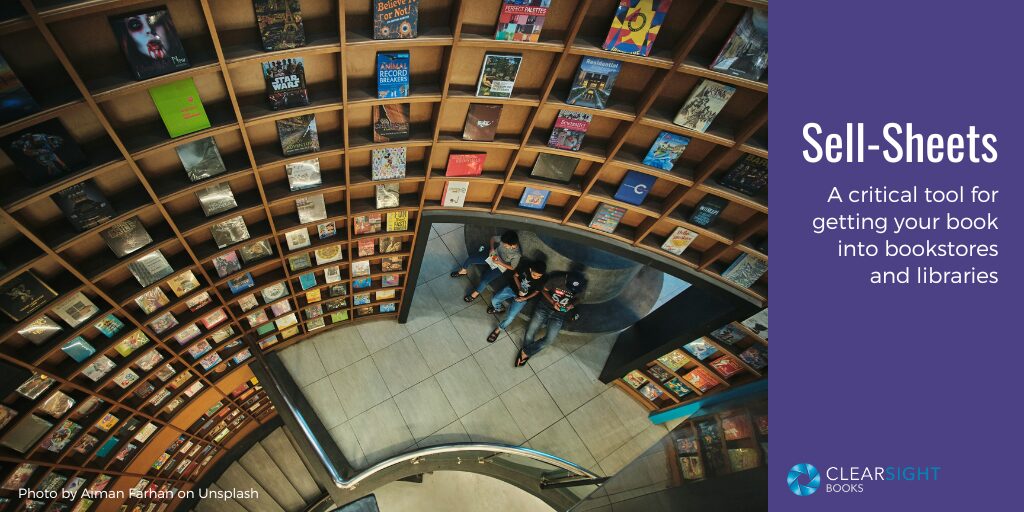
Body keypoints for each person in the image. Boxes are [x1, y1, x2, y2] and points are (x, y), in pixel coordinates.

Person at [515, 270, 587, 367]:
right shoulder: (557, 279)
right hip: (544, 306)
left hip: (560, 313)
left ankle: (526, 352)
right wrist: (553, 302)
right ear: (566, 278)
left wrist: (571, 305)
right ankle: (526, 353)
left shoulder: (581, 285)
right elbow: (543, 290)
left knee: (549, 340)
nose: (572, 290)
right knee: (530, 332)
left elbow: (579, 298)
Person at [485, 259, 547, 343]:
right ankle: (499, 309)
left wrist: (525, 298)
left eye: (539, 276)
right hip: (513, 288)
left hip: (523, 298)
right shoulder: (526, 267)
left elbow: (537, 291)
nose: (536, 277)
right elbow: (515, 276)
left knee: (510, 317)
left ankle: (498, 329)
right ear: (530, 270)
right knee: (495, 300)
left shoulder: (543, 279)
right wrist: (519, 288)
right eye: (534, 275)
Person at [450, 230, 521, 302]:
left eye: (505, 245)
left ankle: (474, 295)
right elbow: (493, 238)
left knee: (484, 281)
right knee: (471, 259)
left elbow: (512, 267)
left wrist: (500, 262)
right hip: (493, 255)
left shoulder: (517, 255)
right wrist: (492, 248)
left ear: (512, 245)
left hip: (501, 266)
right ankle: (463, 271)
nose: (503, 245)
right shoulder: (505, 239)